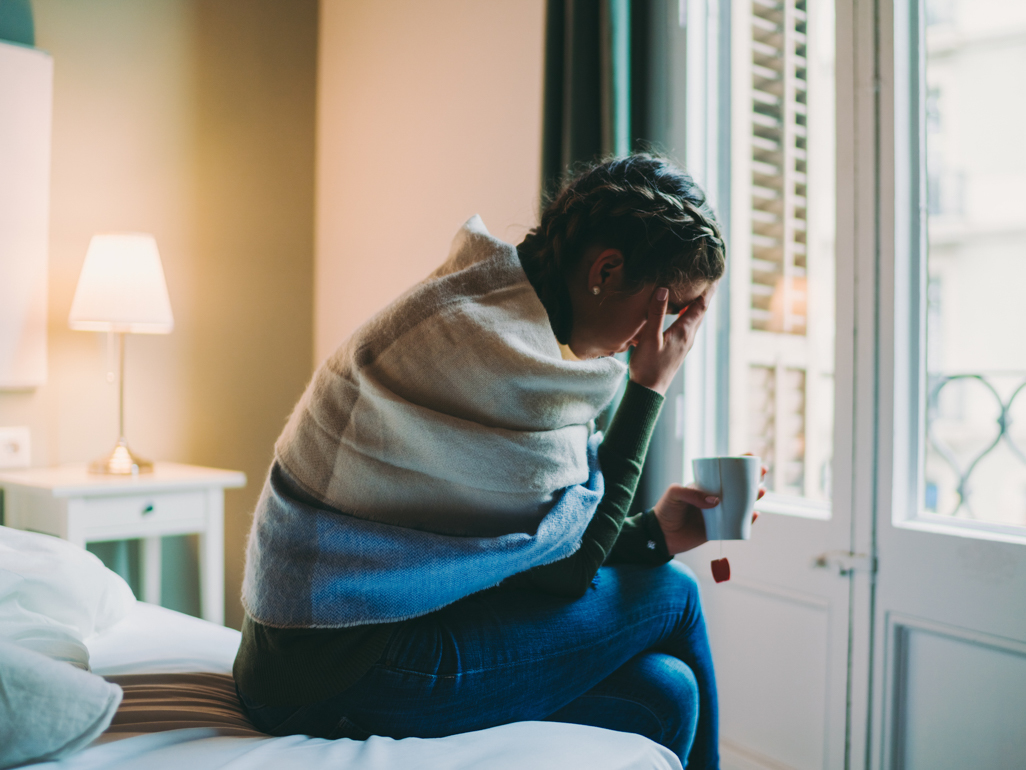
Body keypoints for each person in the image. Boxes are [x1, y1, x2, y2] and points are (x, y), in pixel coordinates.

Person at [234, 154, 758, 769]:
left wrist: (651, 534)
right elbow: (567, 573)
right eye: (671, 309)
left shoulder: (485, 312)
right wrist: (649, 386)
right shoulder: (489, 349)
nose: (668, 336)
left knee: (667, 693)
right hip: (333, 674)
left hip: (317, 657)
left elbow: (525, 557)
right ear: (606, 270)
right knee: (675, 594)